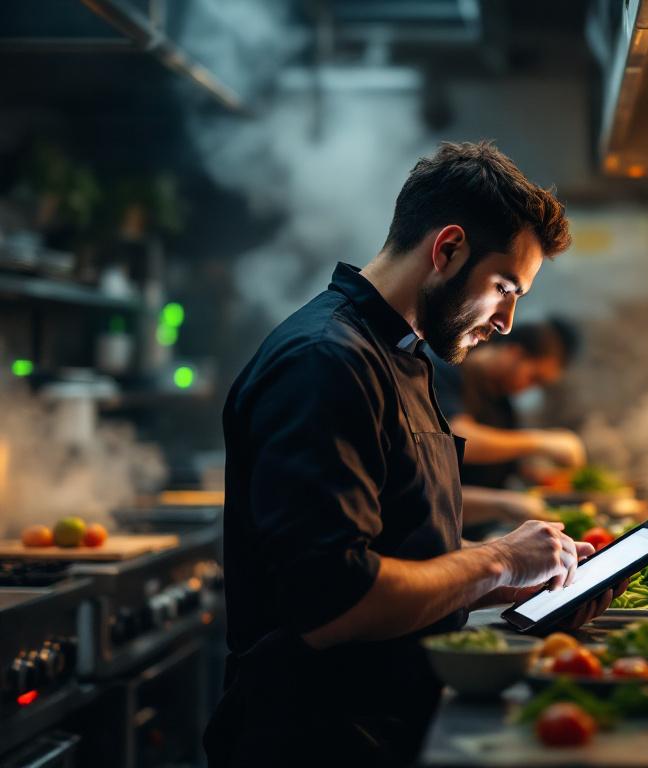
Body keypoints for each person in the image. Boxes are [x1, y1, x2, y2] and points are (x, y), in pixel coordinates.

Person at [204, 141, 624, 768]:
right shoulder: (326, 361)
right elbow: (336, 602)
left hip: (390, 724)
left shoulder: (401, 354)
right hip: (316, 741)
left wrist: (516, 589)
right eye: (505, 286)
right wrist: (500, 560)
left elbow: (402, 561)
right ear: (447, 248)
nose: (508, 321)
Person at [427, 320, 586, 530]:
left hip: (473, 530)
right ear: (514, 353)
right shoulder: (444, 370)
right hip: (432, 528)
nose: (530, 388)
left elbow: (505, 465)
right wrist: (540, 441)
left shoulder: (503, 405)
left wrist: (551, 480)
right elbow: (457, 440)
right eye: (534, 377)